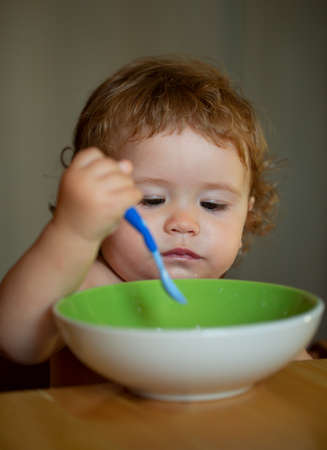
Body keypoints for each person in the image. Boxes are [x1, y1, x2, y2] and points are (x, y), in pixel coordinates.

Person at [0, 56, 310, 385]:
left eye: (212, 204)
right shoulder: (89, 286)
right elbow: (16, 340)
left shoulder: (237, 307)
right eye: (152, 200)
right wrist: (73, 231)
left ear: (247, 214)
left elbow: (306, 381)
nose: (184, 223)